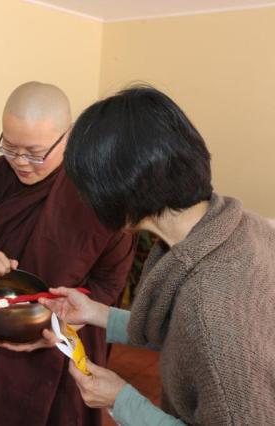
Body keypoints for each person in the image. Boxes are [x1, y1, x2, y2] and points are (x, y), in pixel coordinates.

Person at [40, 86, 275, 425]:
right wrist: (98, 314)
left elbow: (206, 332)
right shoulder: (243, 229)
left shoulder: (209, 304)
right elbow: (185, 333)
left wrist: (120, 399)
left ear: (117, 189)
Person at [0, 82, 136, 425]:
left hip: (64, 345)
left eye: (34, 152)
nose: (19, 161)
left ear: (68, 136)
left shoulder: (101, 194)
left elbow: (110, 279)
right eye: (9, 146)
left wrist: (61, 325)